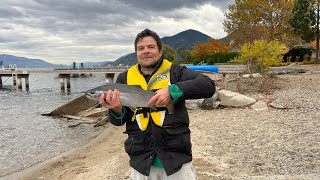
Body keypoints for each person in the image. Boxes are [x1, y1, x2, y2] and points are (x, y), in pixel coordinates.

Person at [99, 28, 215, 180]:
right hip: (141, 161)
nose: (145, 51)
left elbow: (208, 85)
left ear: (160, 51)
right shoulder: (123, 78)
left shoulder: (176, 72)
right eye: (141, 48)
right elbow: (118, 121)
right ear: (136, 54)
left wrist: (173, 90)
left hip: (176, 159)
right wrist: (116, 110)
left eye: (151, 47)